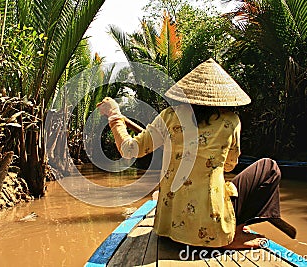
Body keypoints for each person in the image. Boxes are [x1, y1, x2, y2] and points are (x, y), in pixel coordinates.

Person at [97, 58, 295, 249]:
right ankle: (233, 231)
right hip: (212, 227)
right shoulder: (231, 121)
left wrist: (115, 115)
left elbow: (129, 149)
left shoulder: (169, 117)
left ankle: (212, 226)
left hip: (169, 229)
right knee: (268, 167)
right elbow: (229, 165)